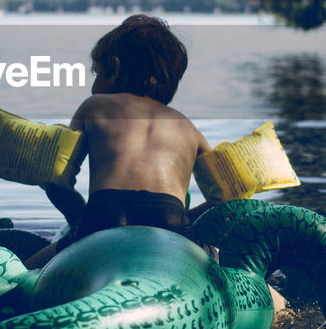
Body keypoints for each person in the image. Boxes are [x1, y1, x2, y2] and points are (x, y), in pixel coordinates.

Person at [25, 14, 213, 268]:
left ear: (113, 68)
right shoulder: (187, 127)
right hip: (169, 217)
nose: (93, 86)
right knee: (220, 267)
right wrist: (183, 219)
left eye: (96, 72)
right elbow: (224, 198)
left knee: (26, 272)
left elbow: (56, 180)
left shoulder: (94, 107)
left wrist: (81, 225)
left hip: (104, 213)